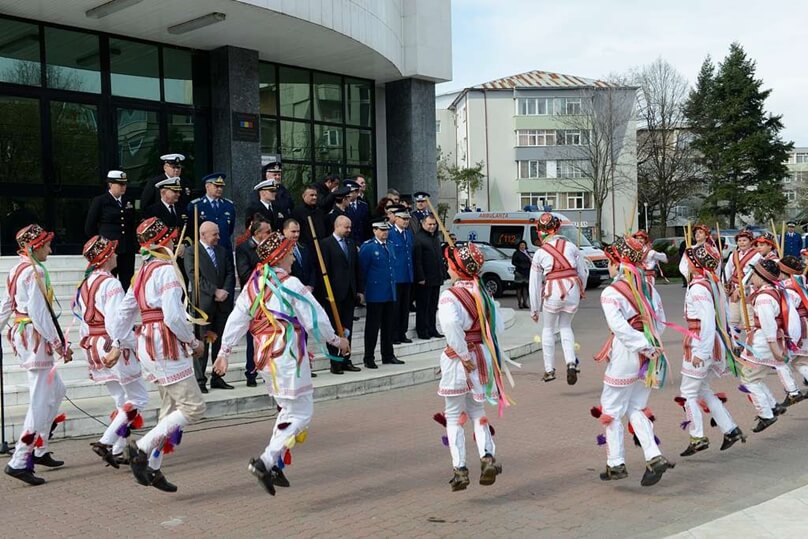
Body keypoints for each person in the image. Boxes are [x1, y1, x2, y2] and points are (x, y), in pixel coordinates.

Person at [213, 232, 349, 496]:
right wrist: (336, 340)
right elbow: (314, 317)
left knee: (288, 410)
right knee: (301, 413)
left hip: (265, 357)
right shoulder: (292, 284)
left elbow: (237, 318)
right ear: (280, 257)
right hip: (287, 355)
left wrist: (224, 351)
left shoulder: (254, 283)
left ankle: (274, 464)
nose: (292, 257)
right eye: (288, 253)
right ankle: (265, 461)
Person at [108, 217, 206, 493]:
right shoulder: (165, 270)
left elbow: (124, 312)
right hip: (165, 344)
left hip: (150, 344)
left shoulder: (142, 272)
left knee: (171, 410)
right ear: (164, 241)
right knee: (194, 408)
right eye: (171, 238)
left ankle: (153, 466)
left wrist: (118, 340)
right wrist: (192, 341)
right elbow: (174, 316)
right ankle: (139, 449)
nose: (174, 242)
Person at [594, 236, 674, 487]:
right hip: (650, 352)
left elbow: (619, 328)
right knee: (635, 407)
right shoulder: (649, 287)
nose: (609, 266)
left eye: (610, 261)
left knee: (612, 407)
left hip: (628, 353)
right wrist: (651, 345)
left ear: (618, 263)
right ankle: (653, 455)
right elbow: (660, 320)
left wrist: (641, 345)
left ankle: (616, 463)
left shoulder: (611, 292)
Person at [0, 224, 72, 486]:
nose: (50, 250)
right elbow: (40, 313)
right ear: (35, 247)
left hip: (26, 334)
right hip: (34, 337)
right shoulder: (34, 270)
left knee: (56, 390)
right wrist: (60, 343)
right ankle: (20, 460)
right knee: (40, 400)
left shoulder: (17, 268)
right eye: (46, 245)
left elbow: (7, 304)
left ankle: (39, 448)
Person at [437, 242, 508, 491]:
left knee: (454, 415)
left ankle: (460, 469)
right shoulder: (484, 293)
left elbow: (449, 326)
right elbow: (497, 329)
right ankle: (487, 456)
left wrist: (463, 353)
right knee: (478, 411)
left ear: (457, 267)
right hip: (482, 356)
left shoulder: (449, 296)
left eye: (450, 263)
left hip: (460, 359)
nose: (448, 266)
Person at [76, 235, 149, 469]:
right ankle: (106, 442)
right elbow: (116, 322)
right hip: (111, 344)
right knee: (138, 398)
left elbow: (83, 321)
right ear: (107, 257)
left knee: (121, 400)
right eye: (113, 251)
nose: (117, 254)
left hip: (95, 343)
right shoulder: (111, 284)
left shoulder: (87, 283)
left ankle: (119, 448)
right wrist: (129, 343)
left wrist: (86, 342)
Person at [677, 241, 746, 457]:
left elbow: (707, 321)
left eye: (688, 260)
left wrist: (701, 352)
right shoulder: (710, 282)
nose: (685, 263)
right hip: (707, 341)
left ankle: (697, 437)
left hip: (700, 343)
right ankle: (730, 428)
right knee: (703, 389)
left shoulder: (699, 287)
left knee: (687, 392)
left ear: (695, 264)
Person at [529, 212, 588, 384]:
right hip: (571, 289)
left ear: (539, 231)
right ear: (557, 228)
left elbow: (534, 284)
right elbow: (583, 271)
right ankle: (570, 362)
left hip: (552, 291)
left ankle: (549, 370)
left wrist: (534, 308)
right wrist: (581, 289)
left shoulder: (540, 253)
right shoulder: (570, 247)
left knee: (548, 329)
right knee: (565, 326)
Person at [184, 221, 235, 393]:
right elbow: (194, 277)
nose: (218, 237)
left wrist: (226, 291)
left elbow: (230, 272)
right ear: (203, 234)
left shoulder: (222, 251)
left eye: (218, 234)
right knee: (203, 343)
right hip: (203, 305)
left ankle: (217, 377)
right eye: (215, 234)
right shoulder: (192, 252)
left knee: (219, 342)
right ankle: (200, 380)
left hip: (222, 304)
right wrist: (214, 291)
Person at [738, 259, 789, 433]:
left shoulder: (764, 298)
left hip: (762, 343)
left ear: (761, 276)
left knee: (748, 379)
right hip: (763, 341)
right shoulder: (770, 291)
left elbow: (768, 325)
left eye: (754, 274)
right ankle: (772, 406)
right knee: (755, 378)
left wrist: (774, 348)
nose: (751, 277)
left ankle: (766, 414)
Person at [317, 215, 363, 374]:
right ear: (337, 226)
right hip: (333, 295)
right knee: (334, 329)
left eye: (350, 227)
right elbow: (323, 271)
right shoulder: (325, 244)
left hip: (349, 294)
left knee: (347, 328)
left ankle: (346, 359)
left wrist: (359, 290)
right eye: (346, 227)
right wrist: (326, 294)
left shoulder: (350, 244)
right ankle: (335, 361)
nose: (349, 230)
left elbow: (356, 268)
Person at [359, 217, 402, 368]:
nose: (385, 233)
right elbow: (362, 271)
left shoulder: (390, 245)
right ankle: (369, 357)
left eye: (386, 230)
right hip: (375, 292)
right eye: (382, 230)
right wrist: (362, 291)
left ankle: (388, 354)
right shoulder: (368, 247)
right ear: (374, 230)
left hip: (389, 291)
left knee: (388, 326)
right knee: (372, 327)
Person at [84, 170, 137, 291]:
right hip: (109, 250)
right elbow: (90, 227)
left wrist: (134, 244)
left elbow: (132, 224)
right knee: (109, 282)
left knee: (128, 282)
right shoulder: (100, 201)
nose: (124, 187)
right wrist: (101, 246)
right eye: (120, 184)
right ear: (110, 184)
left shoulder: (128, 200)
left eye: (125, 184)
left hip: (127, 249)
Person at [235, 216, 272, 387]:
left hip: (270, 296)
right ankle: (251, 371)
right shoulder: (244, 248)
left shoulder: (271, 247)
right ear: (257, 233)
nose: (270, 235)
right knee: (253, 336)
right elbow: (244, 273)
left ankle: (268, 369)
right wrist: (264, 274)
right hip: (253, 296)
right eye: (267, 232)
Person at [776, 256, 807, 406]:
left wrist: (791, 337)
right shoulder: (797, 281)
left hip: (798, 325)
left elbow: (789, 311)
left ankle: (793, 391)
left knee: (782, 360)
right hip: (802, 323)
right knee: (798, 361)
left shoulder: (789, 288)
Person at [723, 230, 760, 344]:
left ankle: (751, 347)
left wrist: (741, 288)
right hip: (734, 290)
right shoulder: (734, 254)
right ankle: (735, 344)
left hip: (748, 290)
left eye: (744, 240)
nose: (742, 243)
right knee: (732, 319)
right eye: (739, 240)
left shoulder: (757, 255)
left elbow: (751, 274)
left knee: (748, 320)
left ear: (751, 241)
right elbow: (728, 270)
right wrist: (724, 284)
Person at [187, 173, 236, 253]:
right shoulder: (196, 206)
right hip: (204, 251)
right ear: (207, 186)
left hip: (224, 249)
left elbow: (230, 229)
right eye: (216, 186)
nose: (219, 189)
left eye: (221, 187)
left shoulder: (228, 205)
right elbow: (192, 229)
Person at [413, 215, 444, 339]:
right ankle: (422, 330)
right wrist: (420, 277)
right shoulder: (419, 239)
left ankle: (432, 328)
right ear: (423, 224)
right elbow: (417, 260)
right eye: (429, 224)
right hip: (424, 279)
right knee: (423, 306)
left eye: (434, 224)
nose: (432, 227)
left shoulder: (436, 238)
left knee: (433, 306)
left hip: (436, 278)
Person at [388, 205, 415, 345]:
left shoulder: (408, 233)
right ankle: (394, 334)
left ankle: (402, 332)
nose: (405, 221)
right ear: (396, 218)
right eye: (403, 219)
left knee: (405, 306)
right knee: (396, 307)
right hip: (396, 276)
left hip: (407, 275)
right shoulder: (390, 233)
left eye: (407, 219)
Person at [291, 185, 328, 250]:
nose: (314, 197)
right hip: (306, 248)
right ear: (303, 196)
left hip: (321, 247)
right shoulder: (297, 212)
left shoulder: (320, 212)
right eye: (311, 195)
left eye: (316, 195)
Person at [345, 177, 370, 245]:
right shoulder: (344, 206)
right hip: (349, 241)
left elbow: (367, 225)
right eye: (348, 192)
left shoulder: (364, 205)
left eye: (352, 191)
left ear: (357, 192)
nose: (350, 194)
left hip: (362, 240)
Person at [511, 240, 531, 309]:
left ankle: (525, 302)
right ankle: (519, 303)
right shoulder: (516, 253)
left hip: (526, 272)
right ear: (519, 246)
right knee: (519, 288)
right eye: (521, 245)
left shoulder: (527, 253)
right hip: (519, 272)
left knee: (525, 288)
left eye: (524, 245)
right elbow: (513, 262)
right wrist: (520, 265)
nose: (523, 246)